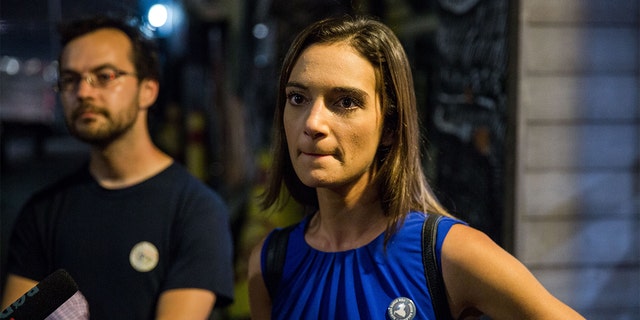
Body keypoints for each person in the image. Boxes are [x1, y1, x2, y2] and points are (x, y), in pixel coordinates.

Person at [247, 15, 585, 319]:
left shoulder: (449, 254)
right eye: (298, 98)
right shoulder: (271, 264)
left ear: (390, 127)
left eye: (346, 102)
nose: (313, 122)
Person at [2, 15, 234, 319]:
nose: (83, 92)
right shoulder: (42, 211)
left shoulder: (195, 210)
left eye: (105, 76)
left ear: (148, 90)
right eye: (70, 79)